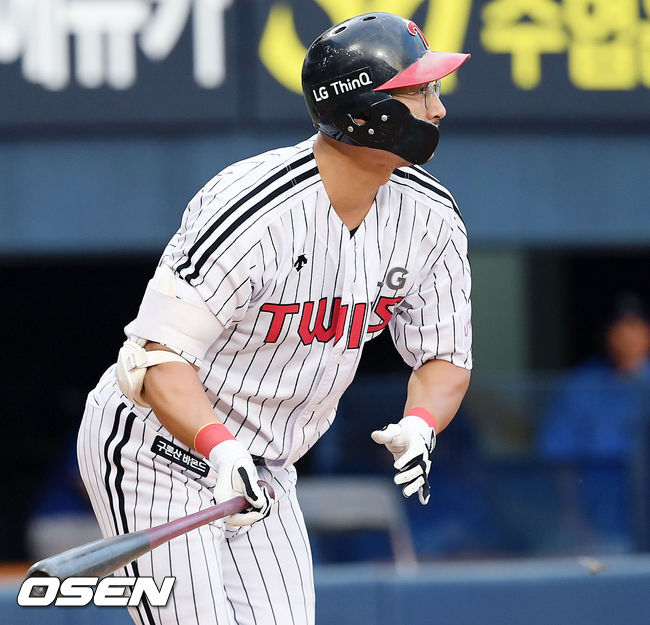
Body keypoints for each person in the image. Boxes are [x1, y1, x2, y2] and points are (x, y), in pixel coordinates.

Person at [77, 12, 472, 625]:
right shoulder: (254, 207)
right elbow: (157, 359)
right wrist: (218, 446)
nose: (438, 109)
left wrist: (422, 423)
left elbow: (443, 355)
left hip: (267, 467)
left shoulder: (431, 217)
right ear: (367, 113)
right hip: (155, 448)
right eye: (420, 92)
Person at [538, 294, 650, 551]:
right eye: (620, 326)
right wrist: (575, 522)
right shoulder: (582, 387)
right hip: (602, 528)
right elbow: (560, 463)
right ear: (607, 333)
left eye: (635, 325)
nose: (628, 335)